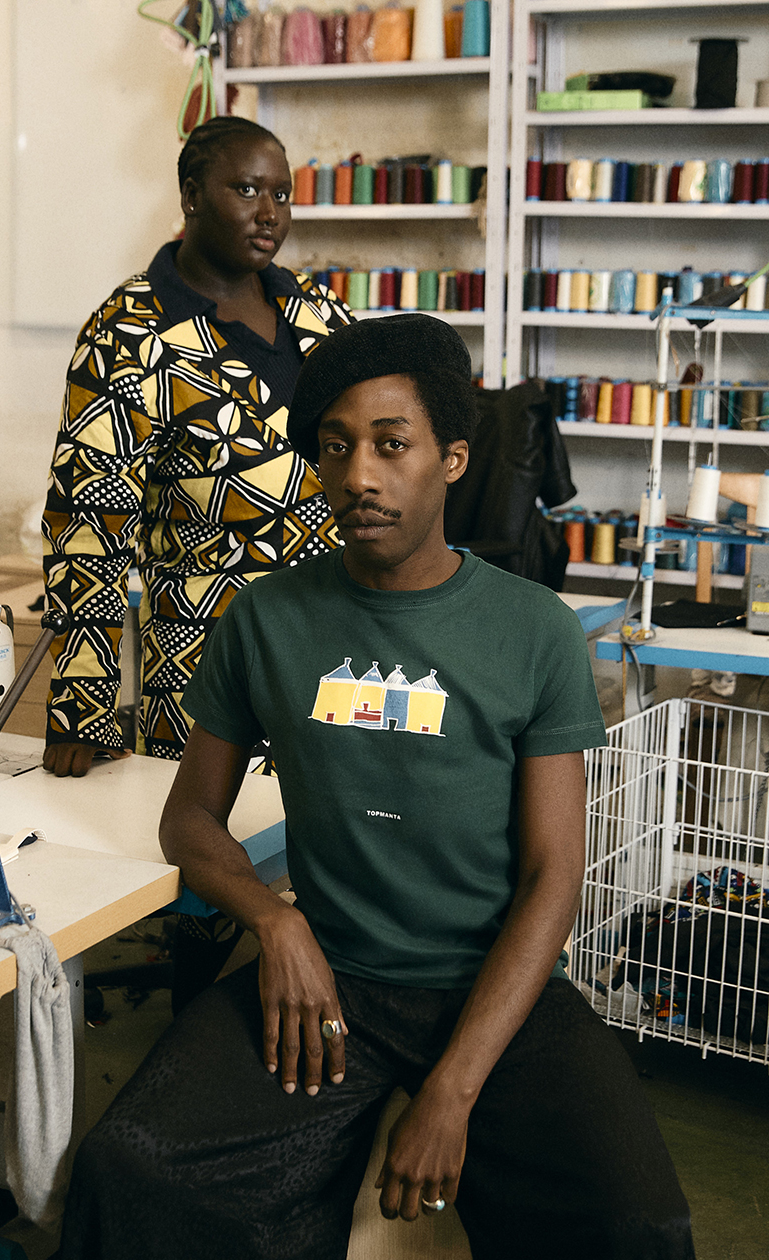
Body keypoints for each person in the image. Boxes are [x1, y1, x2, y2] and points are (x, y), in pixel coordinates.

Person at [58, 316, 695, 1260]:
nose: (359, 475)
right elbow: (189, 817)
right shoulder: (266, 620)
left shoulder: (534, 631)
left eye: (392, 445)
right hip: (333, 981)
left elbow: (555, 875)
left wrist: (454, 1086)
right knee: (132, 1170)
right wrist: (274, 923)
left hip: (494, 989)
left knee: (632, 1224)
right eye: (336, 448)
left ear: (452, 459)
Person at [41, 115, 351, 778]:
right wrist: (82, 708)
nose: (269, 214)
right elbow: (90, 523)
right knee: (215, 859)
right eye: (245, 190)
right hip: (209, 670)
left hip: (341, 654)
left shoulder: (316, 311)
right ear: (190, 196)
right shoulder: (130, 334)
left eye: (282, 195)